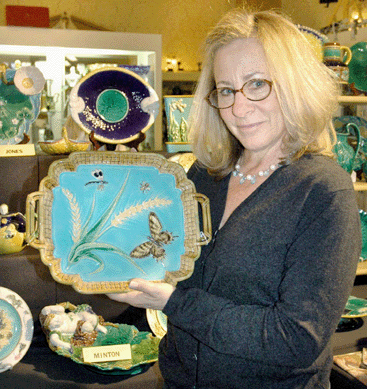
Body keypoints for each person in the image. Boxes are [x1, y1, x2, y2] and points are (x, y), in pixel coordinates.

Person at [108, 7, 362, 388]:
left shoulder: (323, 192)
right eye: (225, 90)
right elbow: (166, 260)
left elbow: (296, 339)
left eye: (258, 83)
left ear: (295, 84)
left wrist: (174, 303)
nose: (239, 108)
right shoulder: (205, 174)